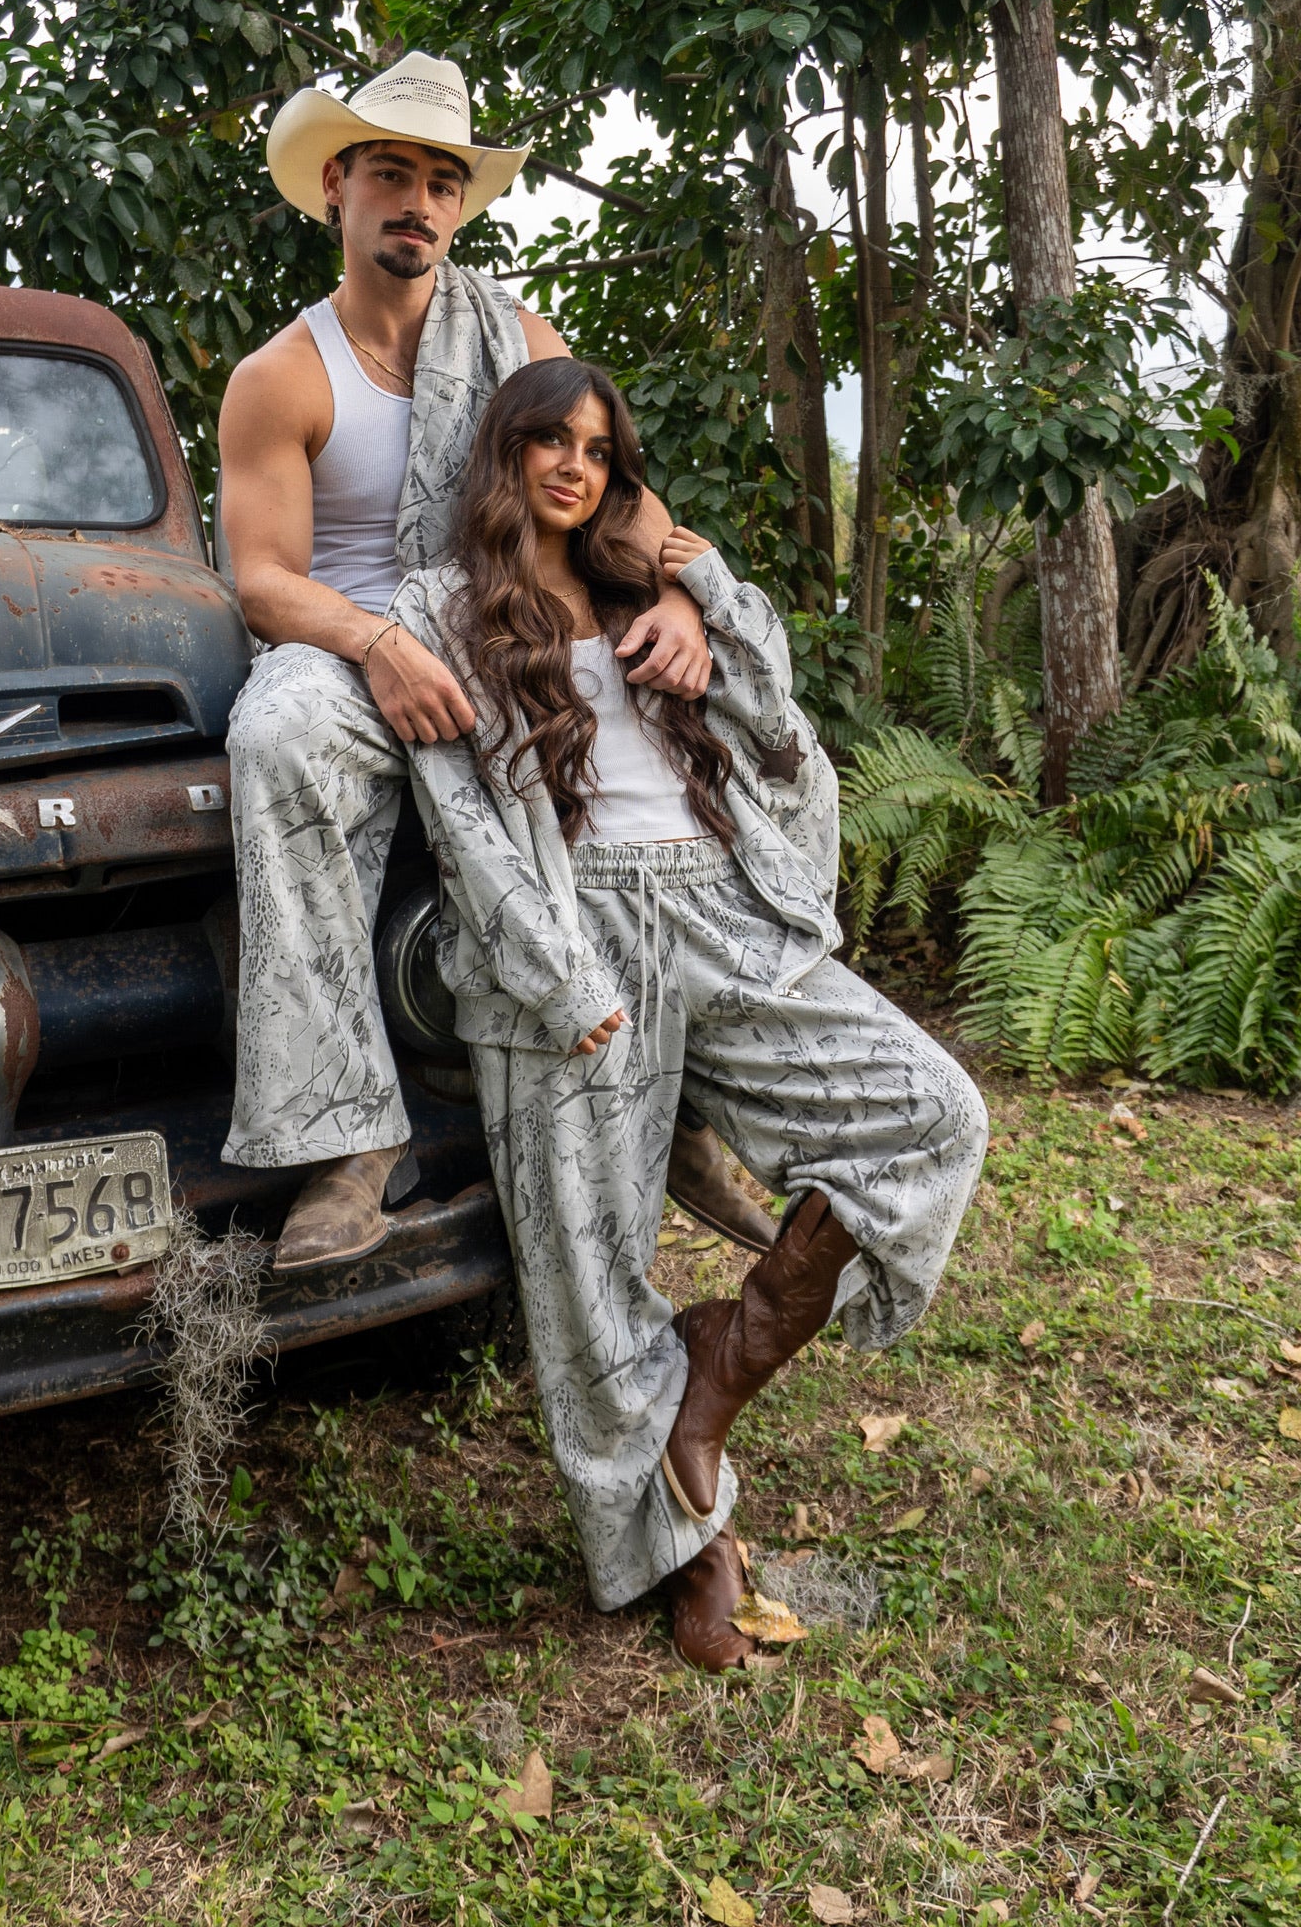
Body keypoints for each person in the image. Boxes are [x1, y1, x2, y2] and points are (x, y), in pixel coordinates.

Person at [387, 358, 988, 1671]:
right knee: (586, 1272)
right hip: (575, 932)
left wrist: (699, 591)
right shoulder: (442, 611)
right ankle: (694, 1547)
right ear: (508, 455)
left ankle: (719, 1363)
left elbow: (778, 725)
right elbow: (467, 821)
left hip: (720, 907)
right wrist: (562, 982)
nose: (574, 468)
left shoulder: (649, 591)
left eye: (599, 451)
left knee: (931, 1109)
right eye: (549, 441)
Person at [218, 50, 773, 1267]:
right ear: (336, 188)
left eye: (441, 182)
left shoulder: (512, 336)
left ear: (459, 207)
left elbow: (608, 486)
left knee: (670, 699)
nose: (417, 203)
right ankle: (346, 1144)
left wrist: (678, 592)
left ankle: (681, 1097)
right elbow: (262, 581)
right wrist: (377, 644)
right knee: (276, 732)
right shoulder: (282, 376)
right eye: (390, 176)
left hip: (505, 631)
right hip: (358, 649)